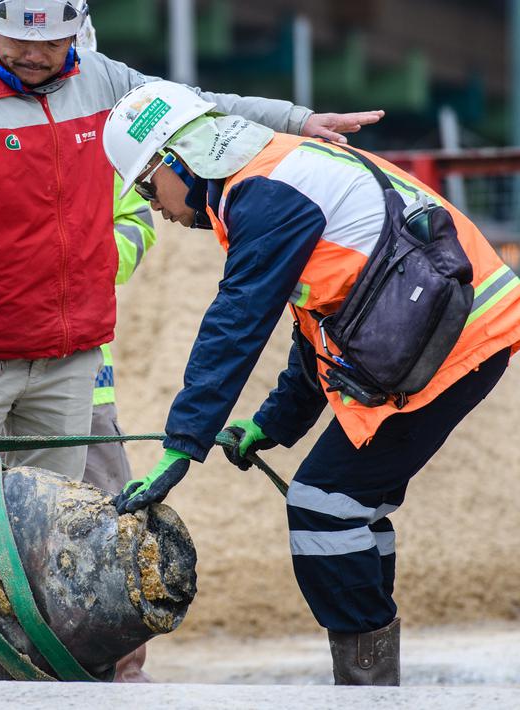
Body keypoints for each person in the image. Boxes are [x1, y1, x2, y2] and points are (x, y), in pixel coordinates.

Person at [104, 81, 520, 685]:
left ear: (178, 161)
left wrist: (181, 444)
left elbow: (238, 319)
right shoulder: (277, 171)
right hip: (456, 330)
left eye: (148, 187)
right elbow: (319, 316)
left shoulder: (263, 195)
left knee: (323, 507)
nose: (158, 209)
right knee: (350, 506)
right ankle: (375, 680)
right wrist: (273, 423)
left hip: (455, 339)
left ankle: (367, 687)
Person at [0, 0, 384, 480]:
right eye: (20, 42)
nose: (34, 55)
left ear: (75, 32)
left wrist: (295, 120)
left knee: (50, 524)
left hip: (68, 362)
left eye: (50, 43)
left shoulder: (102, 79)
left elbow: (196, 105)